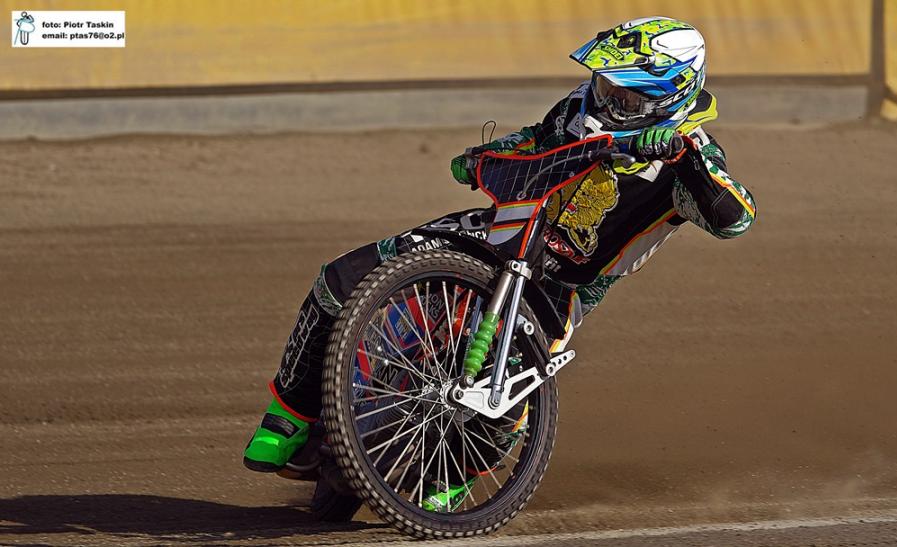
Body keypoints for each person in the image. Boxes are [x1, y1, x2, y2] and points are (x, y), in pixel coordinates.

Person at [243, 16, 756, 511]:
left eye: (625, 96)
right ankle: (288, 414)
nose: (606, 101)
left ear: (669, 95)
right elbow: (535, 138)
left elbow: (735, 219)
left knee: (510, 388)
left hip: (565, 283)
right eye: (605, 86)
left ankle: (452, 477)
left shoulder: (693, 155)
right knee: (342, 278)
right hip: (505, 229)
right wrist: (486, 154)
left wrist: (683, 155)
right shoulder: (579, 107)